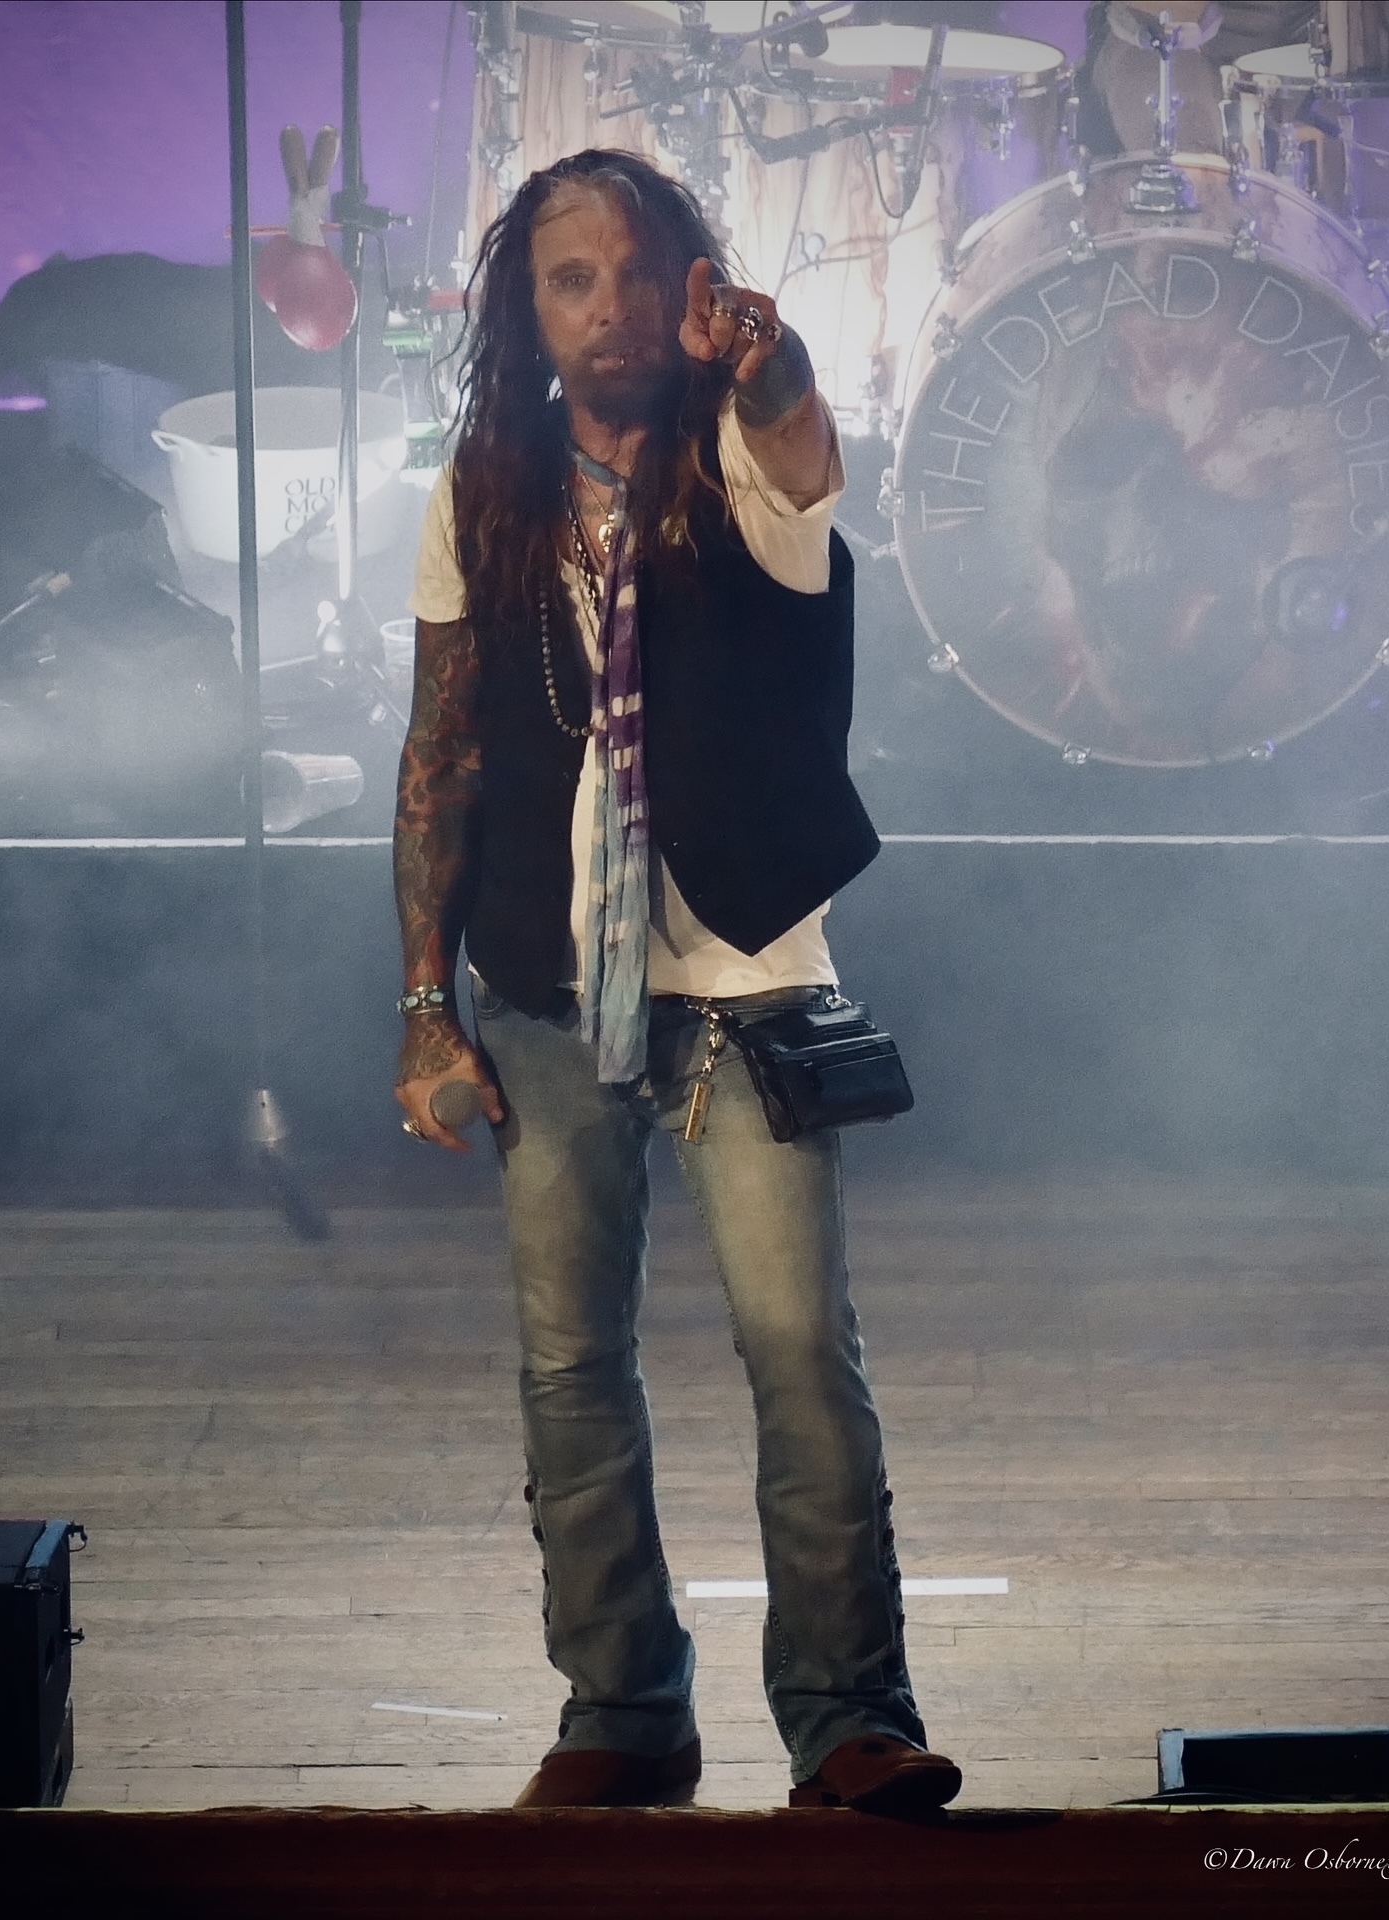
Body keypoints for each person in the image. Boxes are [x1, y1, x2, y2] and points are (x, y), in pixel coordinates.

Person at [392, 148, 959, 1818]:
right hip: (545, 985)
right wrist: (425, 1011)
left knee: (798, 1353)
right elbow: (439, 757)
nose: (612, 306)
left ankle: (849, 1722)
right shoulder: (481, 493)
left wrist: (767, 358)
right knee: (571, 1367)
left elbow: (793, 419)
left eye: (641, 272)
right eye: (573, 278)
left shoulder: (746, 463)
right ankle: (623, 1717)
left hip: (746, 978)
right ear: (529, 311)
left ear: (691, 288)